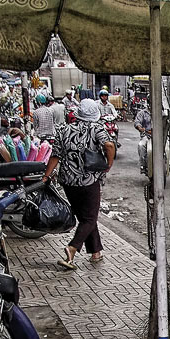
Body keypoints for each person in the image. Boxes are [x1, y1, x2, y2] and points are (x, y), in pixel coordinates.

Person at [45, 98, 115, 269]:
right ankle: (72, 248)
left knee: (85, 217)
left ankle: (95, 252)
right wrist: (108, 164)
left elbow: (55, 155)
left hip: (68, 181)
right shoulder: (96, 128)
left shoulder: (63, 130)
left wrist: (46, 176)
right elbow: (109, 145)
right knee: (90, 218)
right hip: (88, 180)